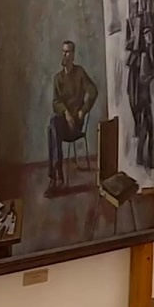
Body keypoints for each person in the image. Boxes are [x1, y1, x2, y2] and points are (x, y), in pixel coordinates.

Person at [46, 40, 98, 196]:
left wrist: (83, 110)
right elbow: (55, 103)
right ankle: (57, 177)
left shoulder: (79, 73)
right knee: (53, 125)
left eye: (67, 52)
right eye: (63, 51)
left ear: (73, 55)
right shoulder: (58, 78)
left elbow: (93, 91)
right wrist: (66, 114)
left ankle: (55, 179)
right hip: (63, 123)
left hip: (76, 124)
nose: (64, 54)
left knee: (52, 128)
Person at [125, 0, 154, 169]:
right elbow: (128, 44)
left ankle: (145, 157)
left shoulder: (148, 18)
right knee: (145, 119)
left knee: (148, 121)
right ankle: (143, 157)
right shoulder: (131, 22)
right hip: (139, 78)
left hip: (145, 80)